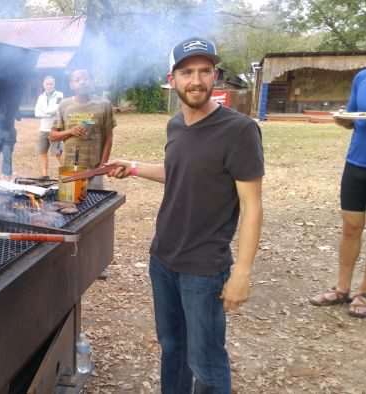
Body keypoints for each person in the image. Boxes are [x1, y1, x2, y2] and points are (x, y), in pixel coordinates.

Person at [107, 37, 264, 393]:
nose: (197, 80)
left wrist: (242, 271)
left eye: (205, 71)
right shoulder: (176, 125)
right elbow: (179, 169)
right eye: (187, 72)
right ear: (172, 78)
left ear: (215, 76)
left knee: (206, 363)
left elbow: (253, 205)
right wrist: (132, 167)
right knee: (172, 349)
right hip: (163, 259)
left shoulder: (239, 131)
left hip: (205, 268)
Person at [309, 62, 366, 318]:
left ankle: (365, 293)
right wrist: (343, 119)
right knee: (350, 226)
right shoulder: (364, 77)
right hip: (356, 162)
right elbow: (353, 119)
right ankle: (342, 288)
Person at [50, 69, 115, 189]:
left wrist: (103, 166)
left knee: (95, 204)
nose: (82, 82)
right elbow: (52, 136)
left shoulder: (104, 105)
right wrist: (70, 131)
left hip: (94, 169)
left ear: (92, 82)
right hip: (69, 169)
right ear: (71, 85)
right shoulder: (64, 105)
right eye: (77, 80)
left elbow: (109, 138)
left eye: (86, 79)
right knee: (68, 205)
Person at [34, 76, 64, 177]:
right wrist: (48, 113)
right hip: (43, 129)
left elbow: (56, 109)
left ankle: (70, 173)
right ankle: (44, 176)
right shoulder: (40, 97)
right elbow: (36, 113)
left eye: (51, 83)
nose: (49, 85)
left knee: (58, 154)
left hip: (55, 129)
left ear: (54, 84)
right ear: (44, 85)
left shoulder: (60, 95)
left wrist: (45, 111)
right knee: (42, 153)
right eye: (47, 84)